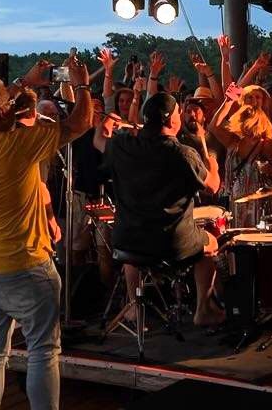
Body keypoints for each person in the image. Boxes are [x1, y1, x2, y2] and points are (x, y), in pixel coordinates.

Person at [0, 55, 93, 410]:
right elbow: (81, 122)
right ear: (0, 113)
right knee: (44, 351)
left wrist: (23, 83)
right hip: (27, 269)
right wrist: (83, 84)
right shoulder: (16, 146)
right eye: (7, 104)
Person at [96, 92, 227, 327]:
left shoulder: (122, 144)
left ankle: (135, 309)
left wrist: (105, 124)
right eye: (178, 112)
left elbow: (99, 140)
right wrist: (214, 166)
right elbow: (213, 187)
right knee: (212, 244)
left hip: (128, 239)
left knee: (133, 252)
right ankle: (203, 309)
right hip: (170, 243)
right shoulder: (183, 154)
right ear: (171, 120)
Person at [208, 84, 272, 201]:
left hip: (259, 207)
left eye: (257, 97)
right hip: (235, 205)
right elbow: (214, 126)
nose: (253, 100)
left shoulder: (266, 144)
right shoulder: (234, 140)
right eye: (249, 97)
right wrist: (228, 101)